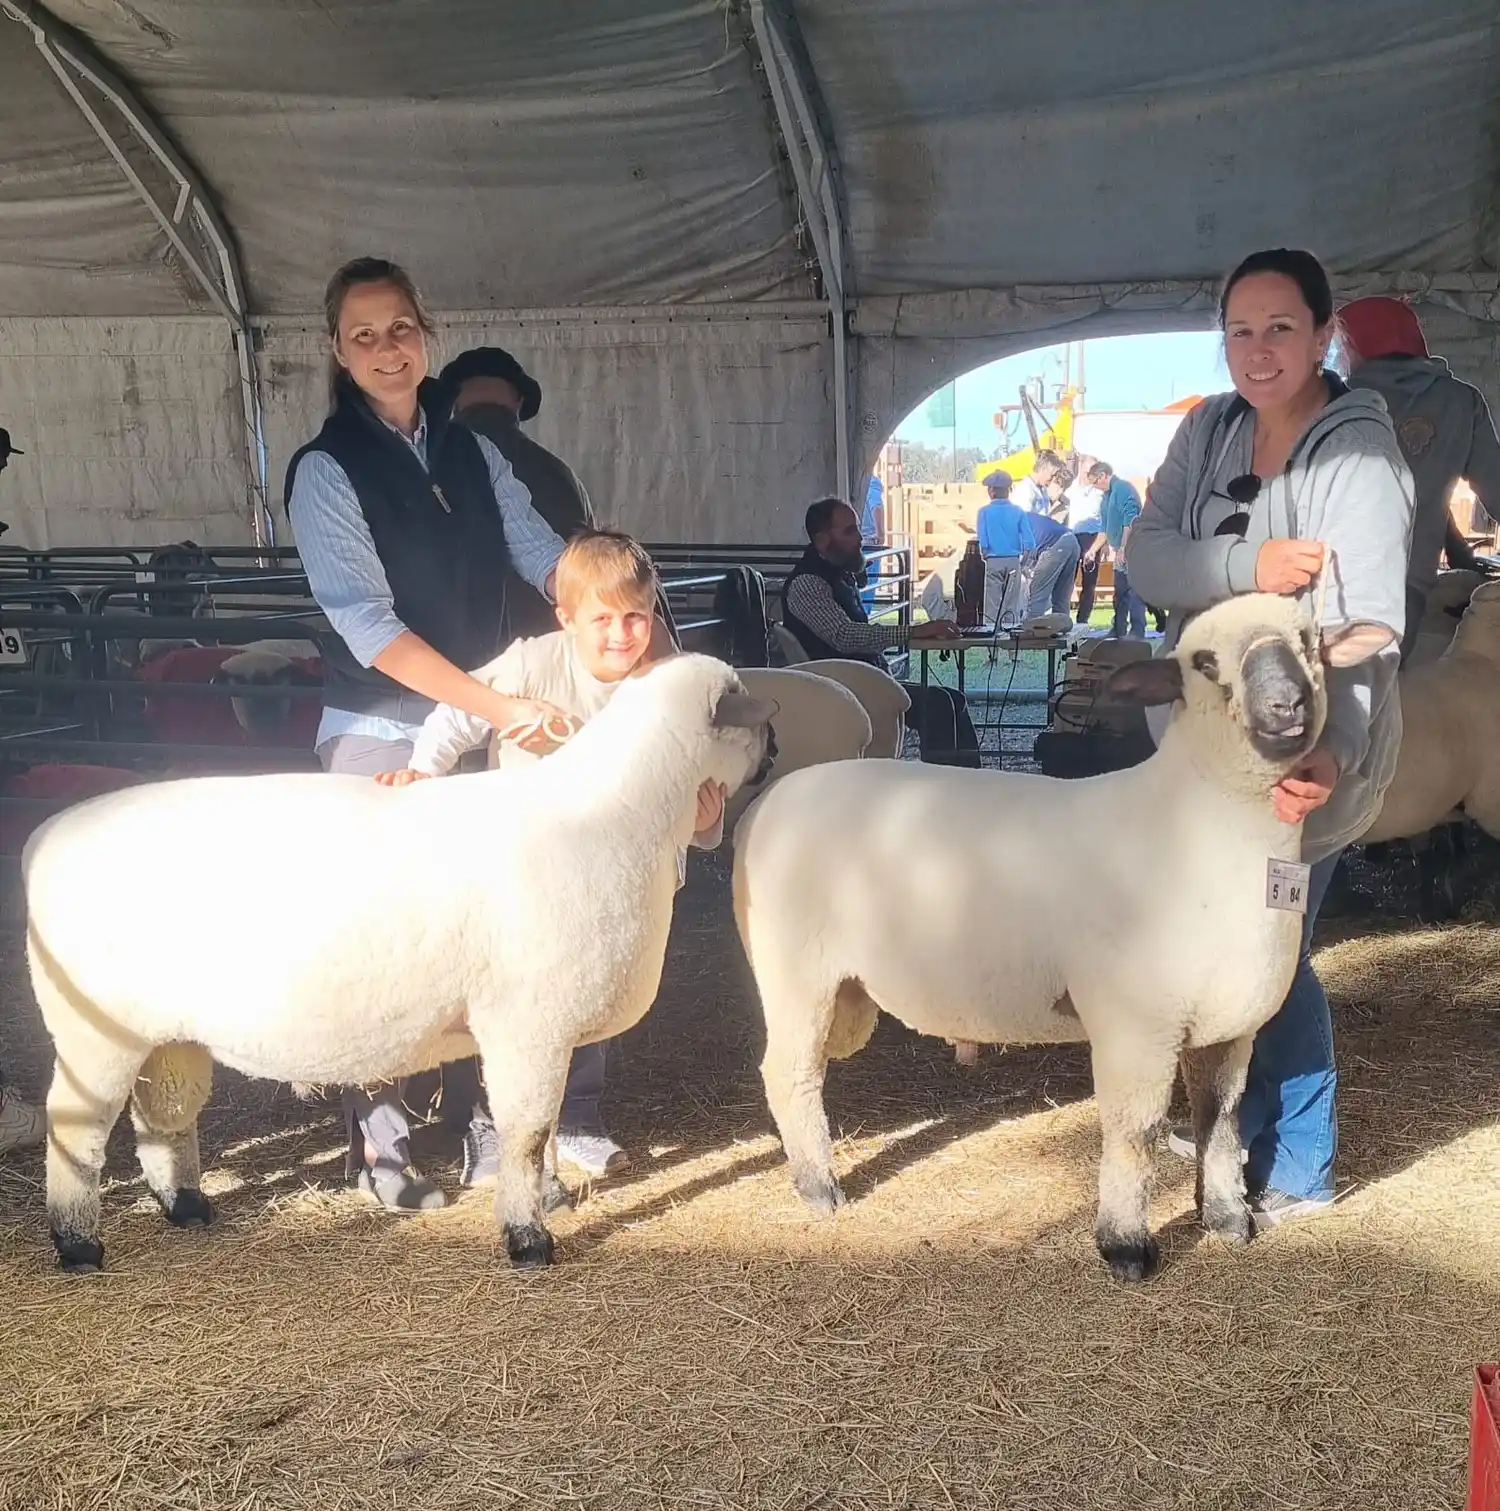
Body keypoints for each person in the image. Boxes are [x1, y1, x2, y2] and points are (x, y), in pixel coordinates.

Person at [1127, 247, 1412, 1226]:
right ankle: (1234, 1121)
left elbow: (1366, 629)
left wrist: (1332, 751)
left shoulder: (1360, 456)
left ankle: (1300, 1162)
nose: (1258, 349)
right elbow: (1147, 556)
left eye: (1282, 327)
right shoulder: (1209, 429)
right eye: (1240, 330)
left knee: (1271, 948)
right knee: (1214, 937)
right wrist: (1246, 564)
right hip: (1200, 766)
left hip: (1300, 766)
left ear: (1325, 334)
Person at [287, 255, 571, 1212]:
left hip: (484, 720)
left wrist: (614, 605)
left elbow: (542, 554)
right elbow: (368, 625)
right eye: (363, 335)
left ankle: (490, 1119)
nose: (386, 348)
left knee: (490, 933)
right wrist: (497, 707)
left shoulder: (470, 450)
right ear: (337, 350)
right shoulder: (325, 469)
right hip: (383, 722)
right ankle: (382, 1140)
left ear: (426, 332)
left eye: (400, 328)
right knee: (388, 931)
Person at [377, 529, 715, 1182]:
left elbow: (692, 773)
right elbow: (456, 715)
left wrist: (704, 821)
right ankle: (493, 1124)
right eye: (602, 620)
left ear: (654, 613)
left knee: (596, 989)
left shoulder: (665, 686)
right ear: (567, 618)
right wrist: (423, 772)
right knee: (506, 996)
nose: (621, 634)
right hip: (529, 875)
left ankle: (578, 1117)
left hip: (618, 877)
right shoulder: (534, 664)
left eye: (636, 617)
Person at [1338, 296, 1500, 658]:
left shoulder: (1335, 400)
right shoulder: (1461, 401)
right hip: (1402, 590)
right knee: (1375, 685)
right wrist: (1461, 556)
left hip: (1324, 584)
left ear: (1355, 346)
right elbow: (1475, 489)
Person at [782, 498, 981, 767]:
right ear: (822, 540)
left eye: (856, 529)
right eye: (849, 531)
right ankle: (945, 783)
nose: (859, 538)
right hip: (842, 689)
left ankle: (967, 781)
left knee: (952, 700)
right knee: (939, 705)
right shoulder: (807, 584)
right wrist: (914, 631)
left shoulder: (836, 574)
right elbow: (844, 636)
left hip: (861, 680)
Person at [438, 346, 595, 641]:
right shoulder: (560, 475)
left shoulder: (424, 466)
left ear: (454, 403)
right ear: (519, 401)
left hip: (448, 652)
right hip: (552, 642)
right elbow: (587, 563)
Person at [1085, 461, 1146, 638]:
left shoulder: (1122, 488)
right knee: (1120, 591)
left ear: (1103, 475)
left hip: (1133, 547)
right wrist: (1092, 550)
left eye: (1095, 482)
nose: (1095, 487)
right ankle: (1119, 628)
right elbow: (1104, 529)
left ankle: (1137, 630)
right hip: (1119, 548)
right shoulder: (1106, 498)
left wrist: (1124, 546)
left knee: (1134, 591)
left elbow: (1131, 518)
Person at [974, 472, 1035, 625]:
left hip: (993, 560)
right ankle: (1009, 631)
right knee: (1011, 603)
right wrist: (1023, 563)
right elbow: (1029, 541)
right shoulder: (1018, 511)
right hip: (1013, 561)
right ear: (1008, 490)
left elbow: (983, 540)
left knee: (992, 602)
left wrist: (984, 554)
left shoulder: (984, 512)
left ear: (991, 491)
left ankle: (991, 630)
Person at [1062, 457, 1105, 622]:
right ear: (1080, 468)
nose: (1090, 477)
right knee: (1067, 580)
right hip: (1072, 535)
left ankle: (1082, 620)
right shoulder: (1069, 489)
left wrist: (1102, 544)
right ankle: (1062, 617)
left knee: (1089, 582)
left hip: (1092, 538)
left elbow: (1105, 520)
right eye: (1088, 472)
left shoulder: (1100, 493)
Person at [1024, 507, 1082, 622]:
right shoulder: (1026, 516)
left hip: (1054, 545)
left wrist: (1025, 570)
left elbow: (1025, 551)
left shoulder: (1013, 523)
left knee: (1037, 596)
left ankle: (1032, 629)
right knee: (1061, 596)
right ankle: (1061, 628)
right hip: (1072, 540)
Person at [1009, 449, 1062, 515]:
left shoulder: (1042, 487)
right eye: (1052, 475)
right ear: (1043, 470)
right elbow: (1024, 518)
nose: (1054, 479)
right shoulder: (1025, 489)